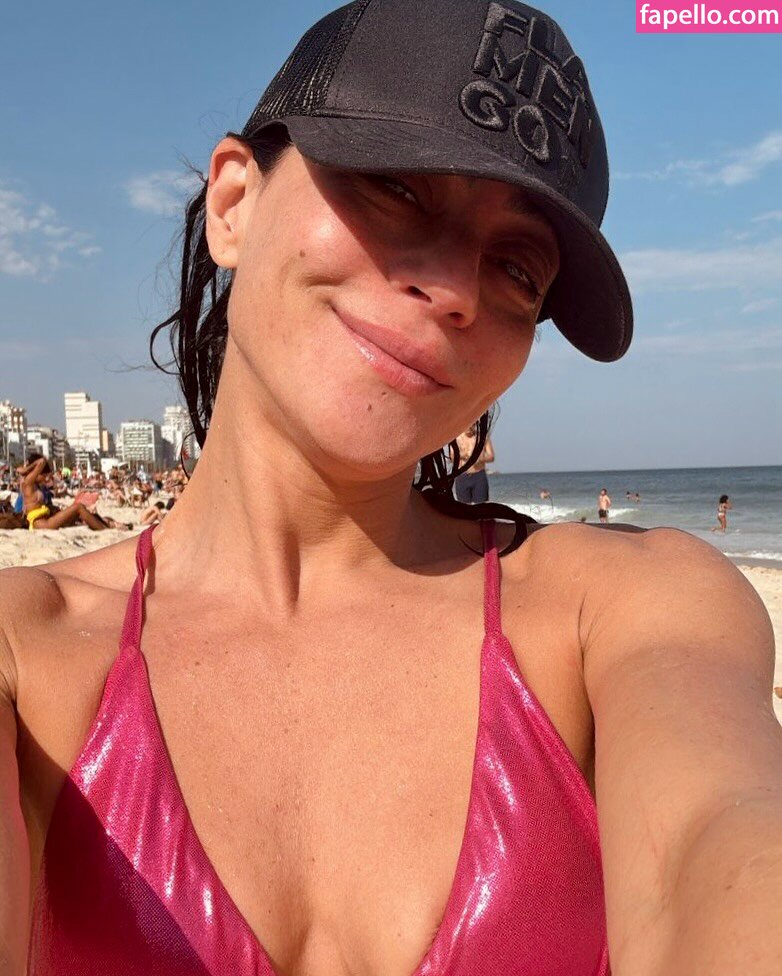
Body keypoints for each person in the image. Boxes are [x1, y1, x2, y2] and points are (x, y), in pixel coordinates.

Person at [2, 3, 780, 974]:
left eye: (517, 267)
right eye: (398, 188)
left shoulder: (625, 611)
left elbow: (720, 838)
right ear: (234, 203)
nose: (454, 289)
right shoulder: (29, 654)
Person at [451, 423, 495, 504]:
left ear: (475, 424)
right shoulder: (457, 438)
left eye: (472, 425)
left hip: (478, 475)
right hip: (462, 476)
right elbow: (452, 457)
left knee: (481, 506)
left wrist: (480, 459)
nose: (469, 427)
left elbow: (491, 457)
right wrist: (463, 455)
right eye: (467, 425)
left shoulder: (483, 437)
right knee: (464, 507)